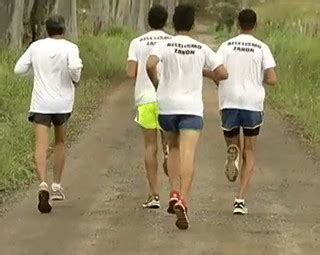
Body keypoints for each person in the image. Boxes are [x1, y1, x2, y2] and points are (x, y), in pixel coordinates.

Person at [146, 4, 228, 230]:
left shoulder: (163, 45)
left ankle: (173, 191)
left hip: (167, 105)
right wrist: (204, 72)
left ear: (173, 22)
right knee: (188, 152)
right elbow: (223, 73)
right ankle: (183, 199)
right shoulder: (201, 48)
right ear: (192, 24)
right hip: (191, 107)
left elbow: (150, 64)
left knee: (172, 148)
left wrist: (156, 83)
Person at [14, 15, 83, 213]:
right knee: (60, 142)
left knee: (41, 145)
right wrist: (75, 79)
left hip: (40, 103)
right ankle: (56, 186)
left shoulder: (36, 47)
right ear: (64, 29)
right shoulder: (70, 47)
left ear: (46, 29)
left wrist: (36, 73)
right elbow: (75, 67)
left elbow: (19, 69)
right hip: (62, 103)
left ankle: (42, 183)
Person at [216, 9, 277, 215]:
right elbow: (272, 78)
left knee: (234, 142)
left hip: (229, 101)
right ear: (255, 25)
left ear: (237, 24)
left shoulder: (226, 46)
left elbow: (217, 71)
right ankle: (240, 199)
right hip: (252, 103)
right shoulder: (262, 48)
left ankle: (232, 154)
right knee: (250, 151)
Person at [127, 5, 172, 209]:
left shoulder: (137, 42)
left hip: (145, 98)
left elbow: (130, 72)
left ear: (148, 21)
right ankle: (169, 157)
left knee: (149, 146)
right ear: (166, 21)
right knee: (171, 144)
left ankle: (154, 195)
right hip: (168, 99)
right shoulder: (172, 42)